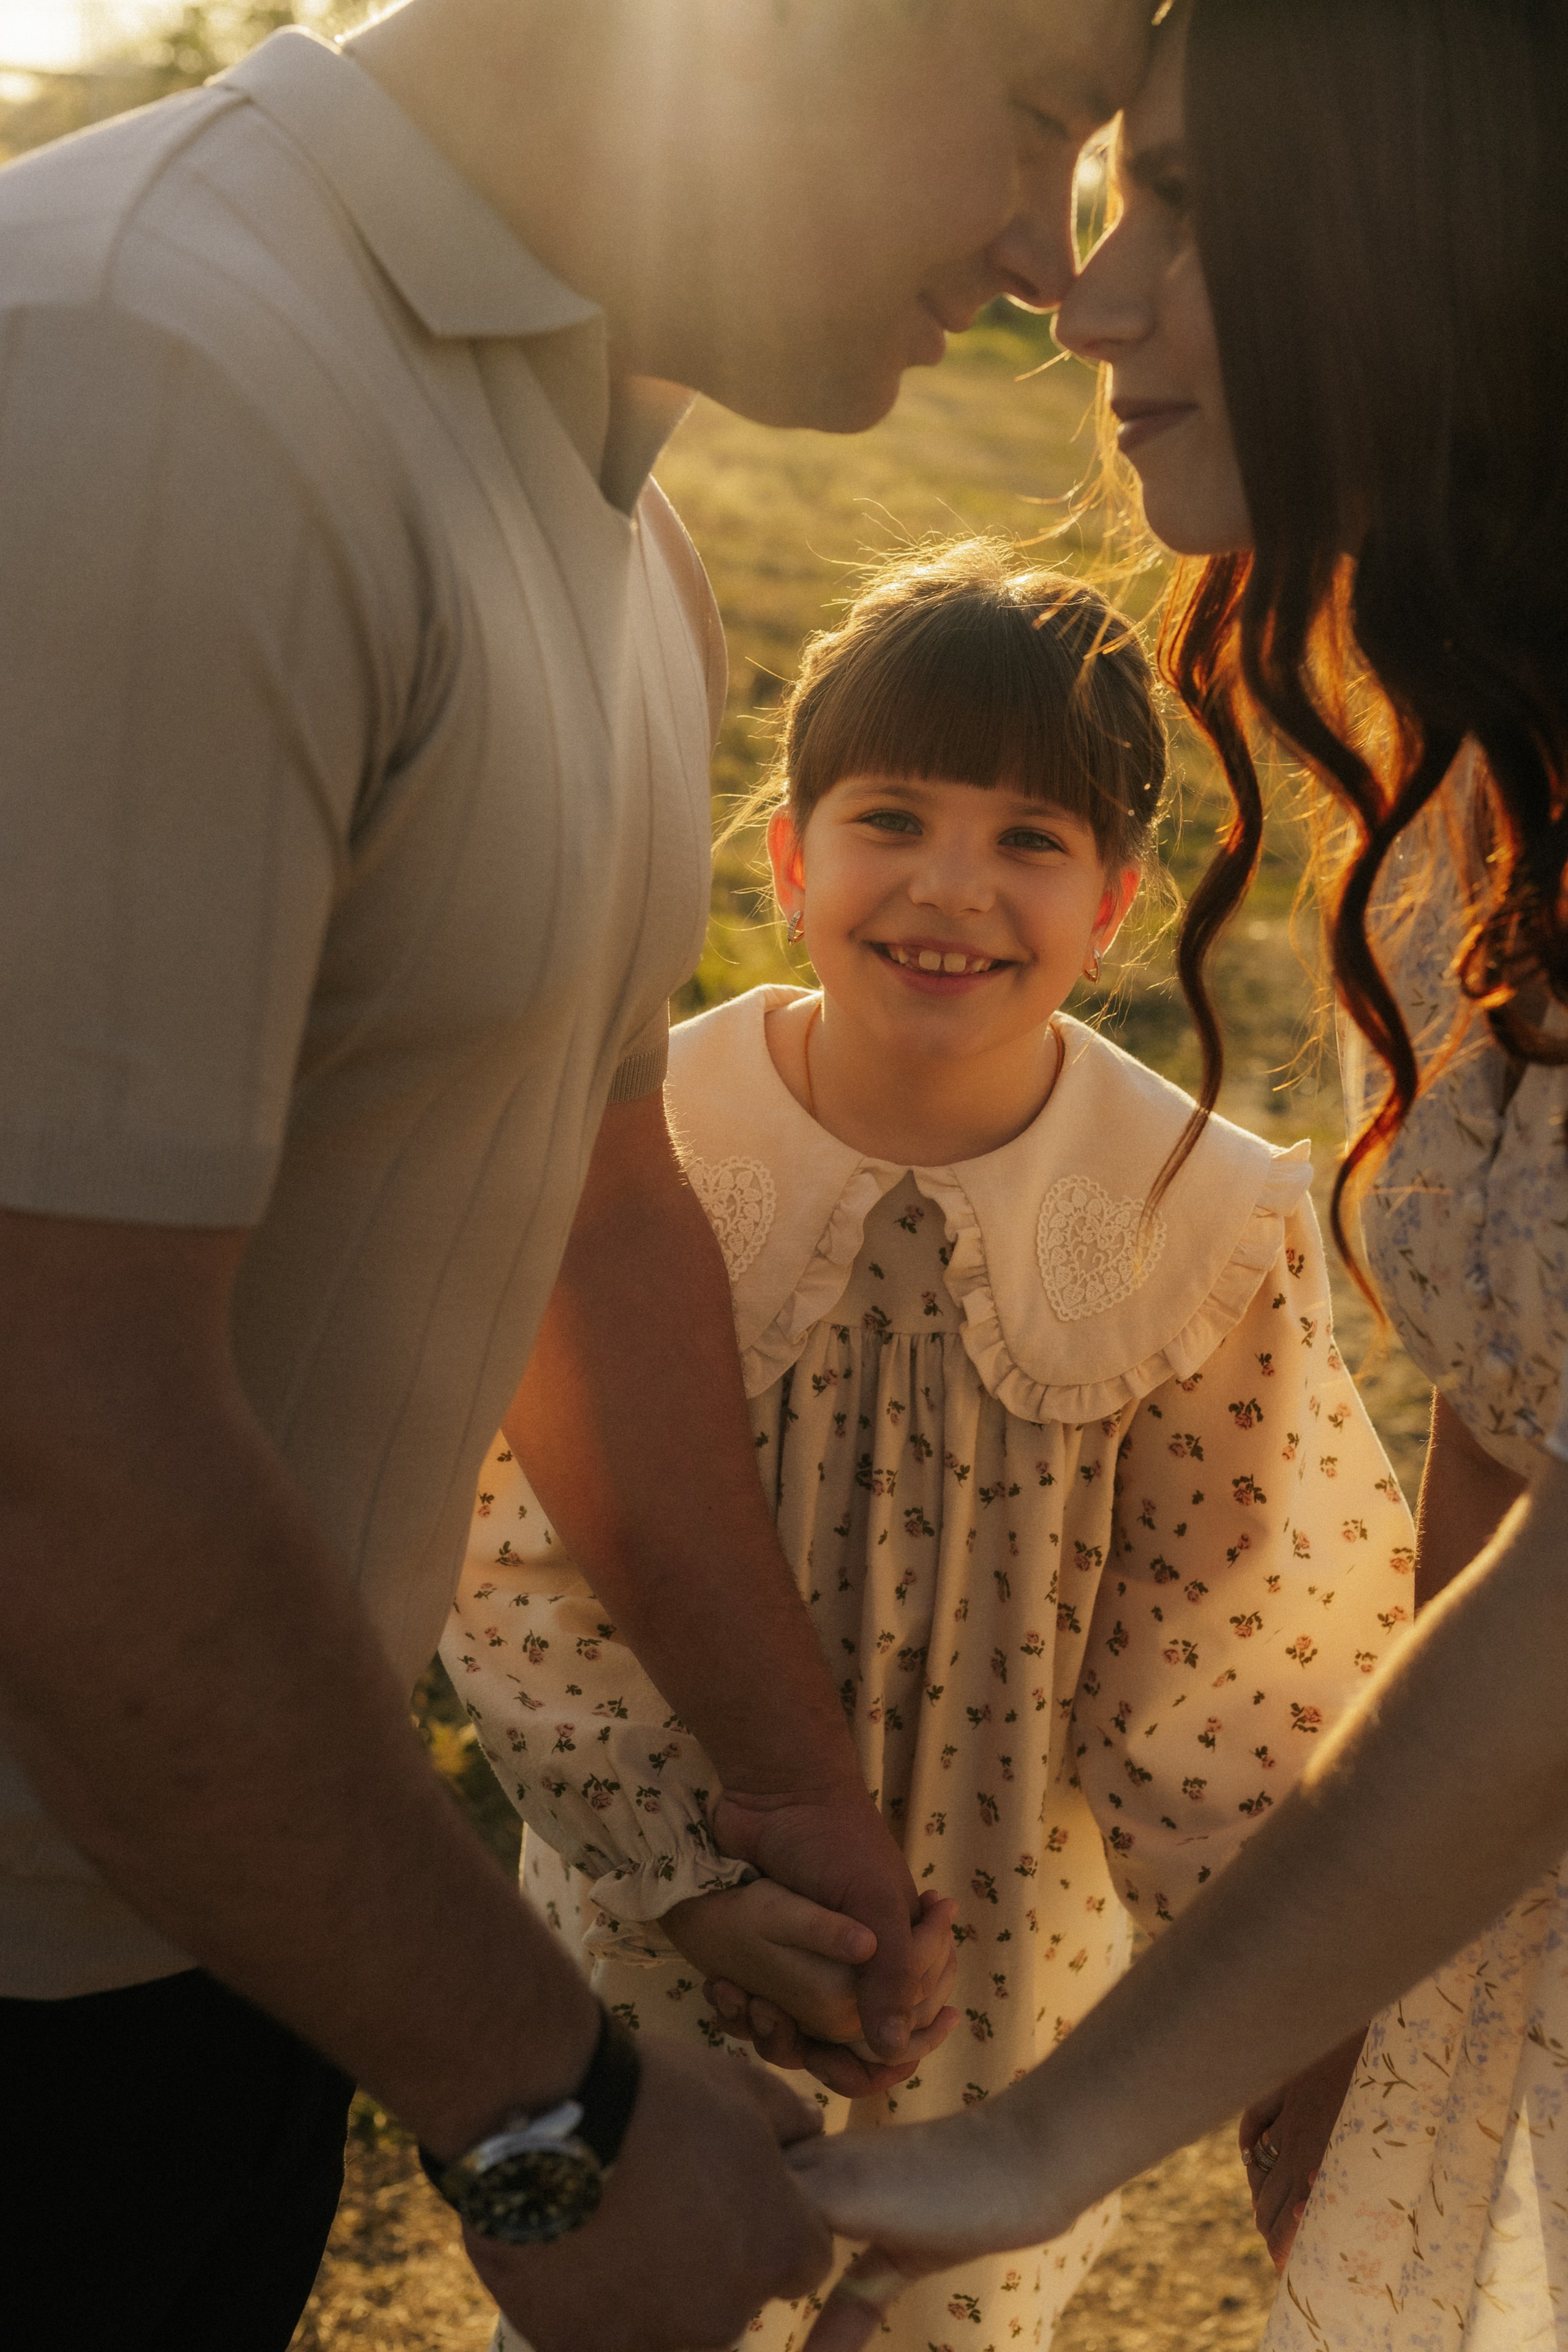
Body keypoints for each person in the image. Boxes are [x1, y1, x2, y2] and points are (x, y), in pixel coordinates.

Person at [0, 2, 1159, 2346]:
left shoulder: (622, 538)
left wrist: (789, 1778)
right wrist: (550, 2111)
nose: (1056, 259)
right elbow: (48, 1417)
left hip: (222, 1912)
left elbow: (588, 1203)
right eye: (1045, 117)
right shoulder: (148, 376)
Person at [783, 7, 1568, 2350]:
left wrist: (1050, 2133)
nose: (1087, 296)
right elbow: (1513, 1459)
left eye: (1191, 206)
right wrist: (1395, 2032)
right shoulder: (1464, 809)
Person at [446, 539, 1417, 2352]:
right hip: (661, 1933)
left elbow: (1244, 1666)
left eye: (1028, 839)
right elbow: (508, 1554)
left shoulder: (1194, 1217)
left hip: (991, 1986)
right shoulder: (640, 1148)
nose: (950, 887)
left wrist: (1297, 2037)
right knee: (634, 2301)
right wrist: (691, 1877)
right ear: (788, 857)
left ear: (1114, 906)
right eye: (892, 819)